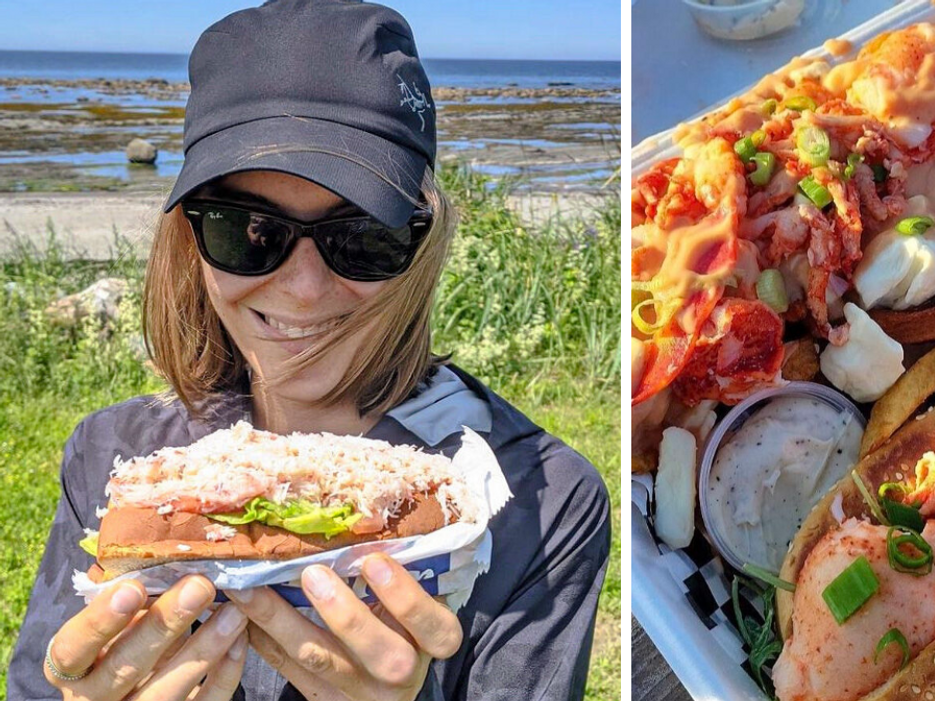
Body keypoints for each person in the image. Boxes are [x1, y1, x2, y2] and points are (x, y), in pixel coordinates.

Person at [7, 1, 611, 700]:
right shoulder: (110, 455)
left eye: (363, 237)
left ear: (424, 243)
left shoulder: (542, 504)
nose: (301, 289)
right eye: (247, 230)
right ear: (188, 240)